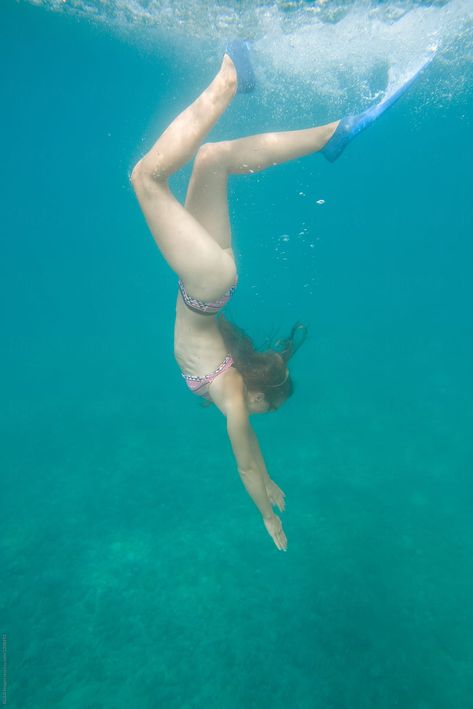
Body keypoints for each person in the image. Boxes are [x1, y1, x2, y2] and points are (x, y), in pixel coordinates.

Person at [131, 41, 433, 551]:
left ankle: (331, 136)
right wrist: (266, 512)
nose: (254, 418)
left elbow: (254, 457)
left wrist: (269, 483)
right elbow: (246, 457)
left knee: (212, 160)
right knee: (146, 178)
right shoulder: (228, 395)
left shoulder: (231, 380)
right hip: (205, 280)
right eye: (262, 412)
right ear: (256, 395)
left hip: (213, 281)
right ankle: (229, 79)